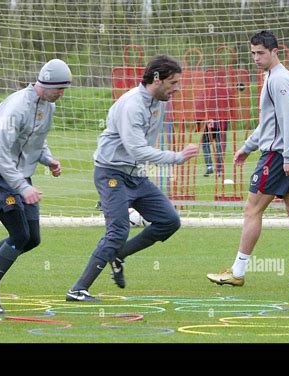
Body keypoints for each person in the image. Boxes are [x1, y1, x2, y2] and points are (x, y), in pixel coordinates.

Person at [66, 55, 199, 302]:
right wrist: (177, 157)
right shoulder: (132, 105)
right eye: (173, 83)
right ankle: (77, 290)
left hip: (136, 175)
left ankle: (118, 255)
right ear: (156, 79)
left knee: (169, 221)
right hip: (111, 173)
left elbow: (141, 151)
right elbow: (137, 150)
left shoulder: (159, 101)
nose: (177, 89)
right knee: (118, 230)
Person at [207, 31, 289, 287]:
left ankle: (237, 272)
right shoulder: (274, 77)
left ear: (274, 51)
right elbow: (269, 123)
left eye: (261, 53)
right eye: (253, 53)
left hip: (279, 156)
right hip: (288, 153)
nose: (256, 58)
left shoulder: (278, 80)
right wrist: (248, 146)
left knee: (251, 210)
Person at [0, 59, 72, 314]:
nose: (62, 94)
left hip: (19, 177)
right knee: (20, 235)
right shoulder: (15, 108)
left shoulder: (47, 107)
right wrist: (23, 188)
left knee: (32, 239)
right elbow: (1, 156)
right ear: (47, 83)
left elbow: (37, 141)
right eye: (60, 88)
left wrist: (48, 159)